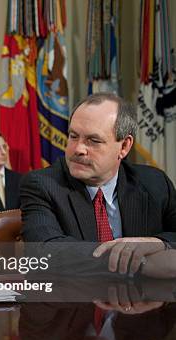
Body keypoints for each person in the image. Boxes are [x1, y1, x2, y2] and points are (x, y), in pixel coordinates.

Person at [21, 93, 176, 275]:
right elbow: (46, 251)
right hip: (76, 299)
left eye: (93, 141)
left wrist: (157, 244)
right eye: (73, 136)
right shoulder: (42, 184)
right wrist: (142, 262)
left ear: (124, 146)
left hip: (147, 299)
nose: (78, 149)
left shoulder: (154, 182)